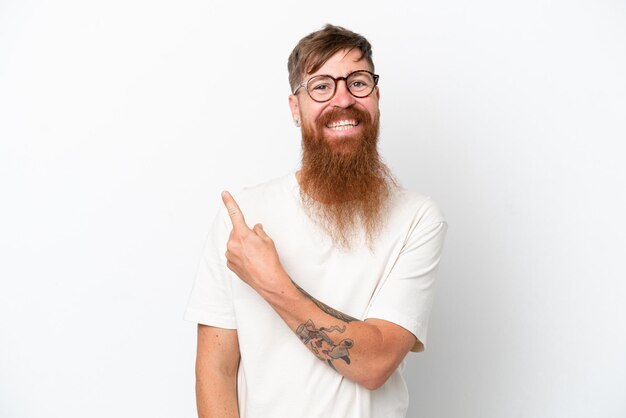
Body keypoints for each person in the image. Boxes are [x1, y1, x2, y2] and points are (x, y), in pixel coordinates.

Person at [185, 24, 447, 418]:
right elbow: (216, 370)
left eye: (357, 83)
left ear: (375, 97)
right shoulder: (242, 220)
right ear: (296, 107)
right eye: (321, 86)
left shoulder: (417, 219)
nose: (343, 99)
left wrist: (271, 282)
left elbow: (375, 363)